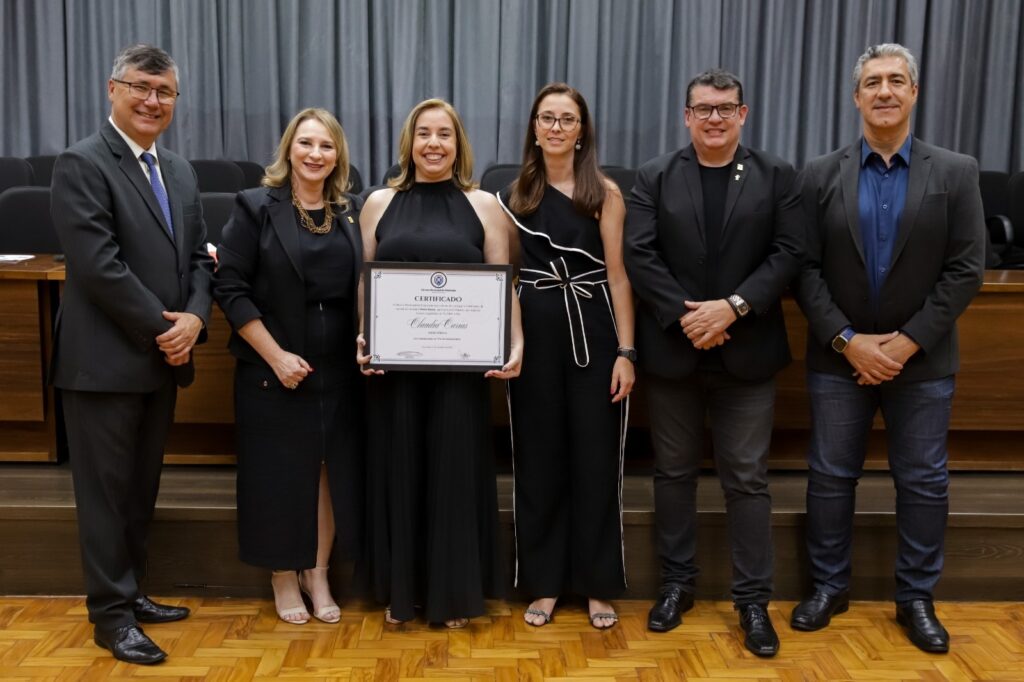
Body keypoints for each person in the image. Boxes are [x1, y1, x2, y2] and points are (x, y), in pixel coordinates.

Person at [791, 43, 985, 654]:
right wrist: (848, 341)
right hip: (837, 358)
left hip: (922, 362)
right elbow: (803, 269)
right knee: (829, 477)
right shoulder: (819, 174)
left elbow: (967, 269)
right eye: (872, 82)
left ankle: (916, 597)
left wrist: (903, 344)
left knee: (924, 481)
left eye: (896, 81)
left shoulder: (955, 171)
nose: (884, 91)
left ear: (914, 93)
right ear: (855, 97)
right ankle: (828, 587)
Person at [623, 69, 803, 656]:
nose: (715, 118)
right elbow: (640, 256)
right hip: (674, 355)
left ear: (743, 114)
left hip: (747, 353)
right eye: (703, 109)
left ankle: (753, 602)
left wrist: (734, 308)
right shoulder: (653, 177)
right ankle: (677, 586)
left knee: (746, 480)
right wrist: (689, 318)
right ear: (686, 116)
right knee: (673, 475)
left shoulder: (777, 176)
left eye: (726, 108)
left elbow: (789, 253)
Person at [50, 44, 213, 665]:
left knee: (139, 489)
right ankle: (110, 617)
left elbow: (201, 255)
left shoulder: (179, 168)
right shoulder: (82, 163)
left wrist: (196, 317)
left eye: (165, 92)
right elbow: (98, 268)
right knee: (105, 496)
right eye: (141, 87)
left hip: (159, 362)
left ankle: (132, 591)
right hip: (103, 365)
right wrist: (166, 329)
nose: (153, 101)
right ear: (112, 89)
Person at [356, 98, 523, 629]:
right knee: (400, 470)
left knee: (453, 474)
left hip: (462, 370)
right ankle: (402, 592)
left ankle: (451, 595)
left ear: (458, 144)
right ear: (409, 142)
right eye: (424, 133)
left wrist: (515, 343)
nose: (434, 143)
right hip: (395, 370)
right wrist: (364, 336)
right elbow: (367, 280)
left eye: (444, 134)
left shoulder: (485, 206)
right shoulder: (378, 203)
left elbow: (505, 282)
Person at [213, 108, 364, 626]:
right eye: (306, 144)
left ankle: (317, 573)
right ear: (288, 150)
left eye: (326, 146)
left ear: (338, 155)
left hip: (339, 370)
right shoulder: (255, 206)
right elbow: (229, 289)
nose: (315, 154)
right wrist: (274, 356)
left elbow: (365, 289)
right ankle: (283, 576)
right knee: (279, 476)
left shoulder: (350, 211)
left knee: (327, 475)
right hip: (271, 370)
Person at [496, 83, 634, 630]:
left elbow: (619, 277)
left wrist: (626, 351)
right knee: (539, 462)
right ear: (534, 128)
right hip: (536, 346)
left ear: (582, 132)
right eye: (547, 118)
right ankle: (545, 582)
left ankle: (597, 585)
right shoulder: (513, 197)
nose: (556, 127)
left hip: (595, 339)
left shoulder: (604, 191)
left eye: (568, 119)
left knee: (596, 460)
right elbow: (506, 279)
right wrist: (513, 343)